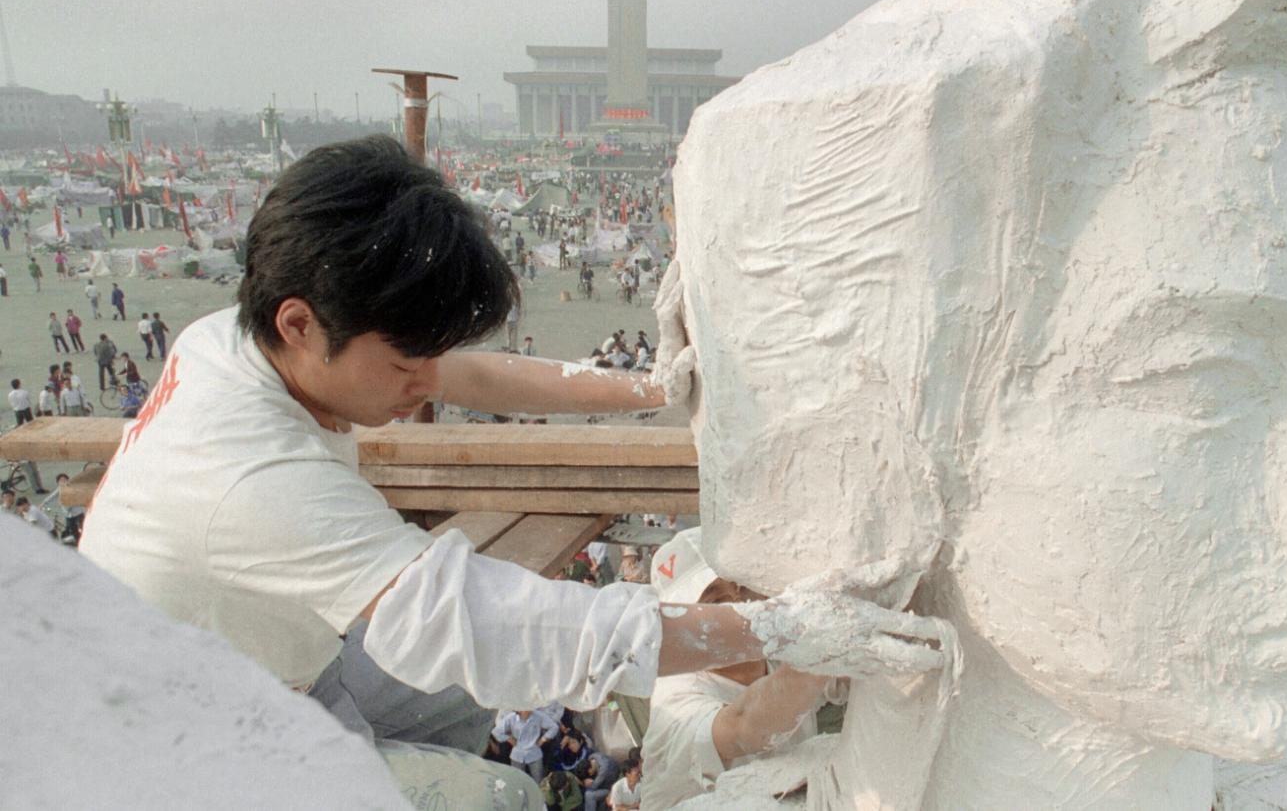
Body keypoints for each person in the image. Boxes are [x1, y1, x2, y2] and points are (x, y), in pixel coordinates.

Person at [77, 136, 940, 807]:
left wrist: (651, 388)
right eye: (408, 364)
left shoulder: (248, 333)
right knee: (500, 796)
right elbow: (497, 625)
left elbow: (475, 373)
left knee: (463, 696)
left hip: (264, 648)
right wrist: (780, 630)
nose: (427, 389)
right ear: (301, 323)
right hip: (187, 737)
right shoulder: (253, 478)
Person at [642, 529, 843, 808]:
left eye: (741, 586)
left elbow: (843, 676)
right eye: (714, 602)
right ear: (682, 626)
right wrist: (821, 645)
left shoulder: (773, 650)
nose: (739, 606)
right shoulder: (674, 696)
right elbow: (742, 728)